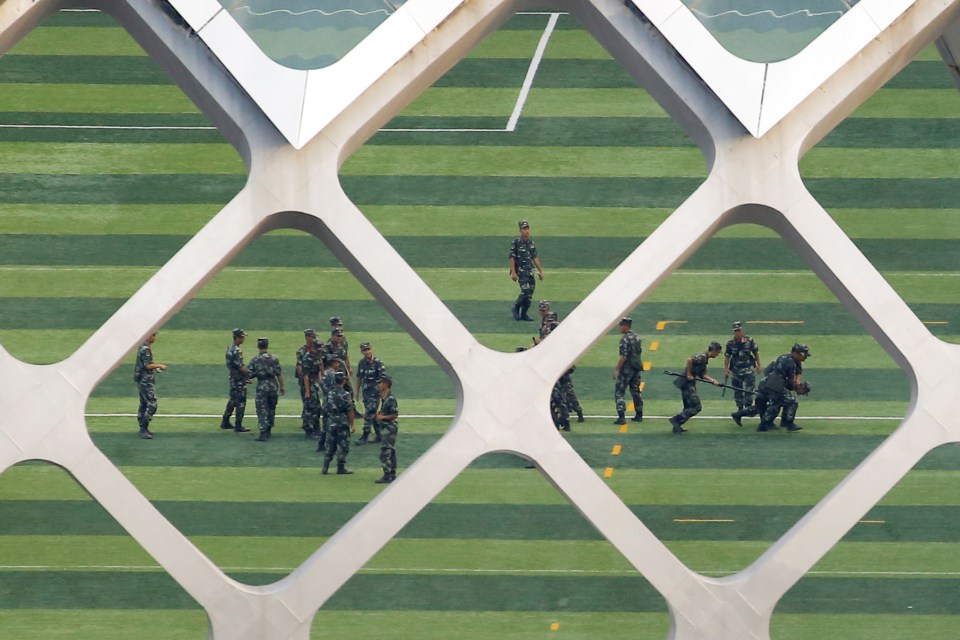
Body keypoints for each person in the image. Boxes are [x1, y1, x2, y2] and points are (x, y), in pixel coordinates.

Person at [735, 343, 810, 432]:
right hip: (776, 384)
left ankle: (739, 414)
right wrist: (796, 387)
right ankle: (784, 423)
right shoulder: (790, 363)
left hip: (767, 382)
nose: (805, 358)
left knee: (761, 405)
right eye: (804, 355)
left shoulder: (784, 358)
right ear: (797, 353)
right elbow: (791, 381)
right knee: (788, 402)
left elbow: (768, 370)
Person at [668, 341, 723, 434]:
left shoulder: (705, 359)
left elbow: (702, 374)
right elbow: (690, 359)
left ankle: (677, 425)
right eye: (718, 352)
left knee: (688, 407)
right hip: (686, 383)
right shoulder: (702, 357)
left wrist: (713, 380)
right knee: (697, 406)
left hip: (688, 383)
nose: (717, 355)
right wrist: (689, 374)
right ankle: (676, 420)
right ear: (713, 351)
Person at [248, 337, 285, 441]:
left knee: (262, 409)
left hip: (262, 387)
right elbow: (279, 374)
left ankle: (263, 432)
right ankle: (269, 429)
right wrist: (282, 386)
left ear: (258, 346)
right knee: (271, 408)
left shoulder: (255, 360)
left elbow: (249, 374)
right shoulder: (274, 358)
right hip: (273, 386)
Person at [133, 332, 167, 439]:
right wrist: (159, 365)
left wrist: (154, 368)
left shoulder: (143, 347)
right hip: (145, 381)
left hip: (142, 379)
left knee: (143, 403)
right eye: (153, 335)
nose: (154, 338)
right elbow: (147, 365)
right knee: (152, 404)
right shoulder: (145, 349)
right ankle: (143, 428)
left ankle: (143, 427)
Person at [509, 220, 544, 322]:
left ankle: (524, 313)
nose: (526, 231)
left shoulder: (530, 243)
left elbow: (535, 257)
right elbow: (512, 257)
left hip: (530, 271)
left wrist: (541, 271)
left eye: (527, 228)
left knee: (529, 294)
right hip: (521, 271)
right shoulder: (516, 242)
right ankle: (516, 308)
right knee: (525, 290)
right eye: (524, 229)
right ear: (520, 230)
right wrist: (513, 272)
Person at [723, 321, 761, 413]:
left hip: (748, 369)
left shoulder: (749, 341)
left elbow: (756, 353)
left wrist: (759, 365)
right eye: (736, 331)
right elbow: (727, 357)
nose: (738, 332)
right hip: (736, 370)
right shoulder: (730, 344)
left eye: (739, 330)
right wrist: (726, 369)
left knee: (749, 389)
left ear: (742, 330)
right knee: (737, 390)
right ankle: (740, 408)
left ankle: (748, 408)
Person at [322, 369, 355, 475]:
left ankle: (325, 466)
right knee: (342, 445)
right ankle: (340, 467)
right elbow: (350, 411)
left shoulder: (330, 394)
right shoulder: (345, 394)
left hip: (331, 421)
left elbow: (325, 408)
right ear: (343, 381)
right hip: (342, 422)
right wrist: (352, 425)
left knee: (330, 444)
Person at [612, 317, 643, 425]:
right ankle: (639, 415)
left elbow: (624, 356)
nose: (620, 327)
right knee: (635, 392)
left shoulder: (624, 339)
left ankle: (621, 417)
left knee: (619, 392)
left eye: (621, 325)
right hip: (636, 368)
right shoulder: (637, 338)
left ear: (626, 326)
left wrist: (617, 369)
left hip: (626, 369)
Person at [220, 328, 250, 433]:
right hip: (238, 379)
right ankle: (238, 425)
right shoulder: (237, 350)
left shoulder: (230, 348)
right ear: (237, 338)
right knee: (240, 401)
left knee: (232, 400)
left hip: (233, 377)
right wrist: (248, 375)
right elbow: (240, 367)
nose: (243, 339)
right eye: (242, 337)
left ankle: (225, 421)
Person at [355, 341, 386, 445]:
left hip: (375, 393)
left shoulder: (378, 363)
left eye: (368, 349)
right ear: (362, 352)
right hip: (366, 393)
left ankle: (365, 435)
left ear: (371, 349)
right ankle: (379, 435)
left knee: (369, 414)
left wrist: (383, 394)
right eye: (364, 350)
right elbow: (359, 377)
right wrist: (357, 392)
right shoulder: (361, 363)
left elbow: (383, 380)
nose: (367, 352)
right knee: (372, 414)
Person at [375, 373, 399, 484]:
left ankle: (387, 474)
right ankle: (392, 473)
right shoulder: (384, 397)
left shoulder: (390, 399)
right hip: (386, 427)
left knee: (385, 452)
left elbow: (394, 414)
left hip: (389, 428)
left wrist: (382, 417)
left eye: (381, 383)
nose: (379, 385)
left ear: (386, 384)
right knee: (391, 450)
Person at [295, 328, 319, 436]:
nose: (314, 339)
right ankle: (308, 425)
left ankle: (311, 424)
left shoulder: (316, 350)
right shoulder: (302, 351)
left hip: (313, 381)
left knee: (313, 404)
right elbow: (300, 369)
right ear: (307, 337)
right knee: (308, 404)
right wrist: (306, 384)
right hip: (306, 381)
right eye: (312, 337)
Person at [300, 337, 324, 440]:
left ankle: (316, 428)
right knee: (309, 408)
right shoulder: (307, 358)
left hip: (314, 385)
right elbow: (306, 376)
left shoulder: (317, 357)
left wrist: (320, 383)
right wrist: (307, 391)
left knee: (317, 407)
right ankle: (308, 429)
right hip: (308, 385)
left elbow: (318, 371)